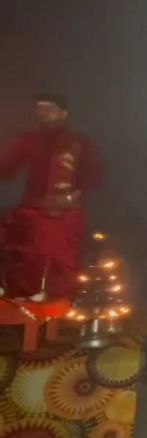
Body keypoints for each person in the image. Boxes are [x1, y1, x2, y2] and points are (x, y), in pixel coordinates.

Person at [0, 94, 103, 299]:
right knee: (23, 251)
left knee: (59, 256)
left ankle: (55, 298)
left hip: (64, 209)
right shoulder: (27, 140)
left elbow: (94, 173)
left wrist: (76, 192)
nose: (44, 112)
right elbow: (7, 168)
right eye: (40, 108)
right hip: (33, 206)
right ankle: (22, 294)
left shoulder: (78, 142)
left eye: (50, 108)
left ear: (63, 113)